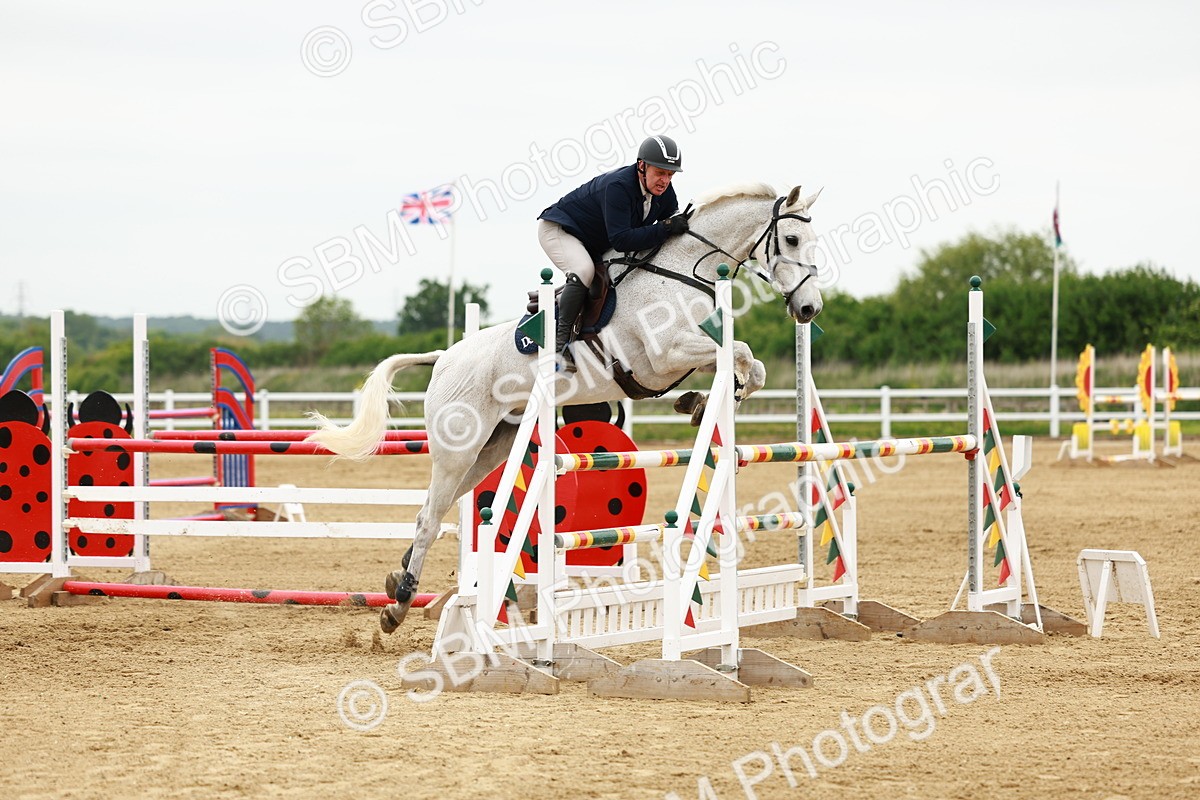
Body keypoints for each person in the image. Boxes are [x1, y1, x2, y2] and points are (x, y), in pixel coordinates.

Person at [537, 135, 691, 369]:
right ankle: (558, 348)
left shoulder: (664, 192)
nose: (665, 180)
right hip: (560, 229)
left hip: (594, 239)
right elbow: (621, 239)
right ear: (642, 166)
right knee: (584, 270)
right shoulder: (618, 186)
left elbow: (672, 223)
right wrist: (665, 227)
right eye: (660, 172)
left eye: (670, 175)